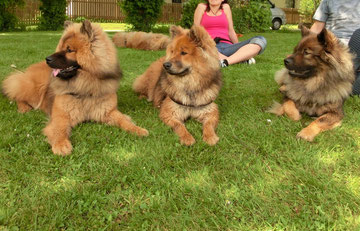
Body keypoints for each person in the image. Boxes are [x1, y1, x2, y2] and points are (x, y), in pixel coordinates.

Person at [193, 0, 267, 67]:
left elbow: (231, 31)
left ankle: (225, 61)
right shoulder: (201, 7)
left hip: (228, 46)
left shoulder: (226, 8)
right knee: (200, 50)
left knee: (260, 40)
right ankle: (238, 59)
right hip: (210, 46)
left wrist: (239, 47)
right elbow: (195, 31)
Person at [310, 0, 360, 94]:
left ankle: (346, 77)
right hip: (332, 49)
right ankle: (342, 80)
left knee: (358, 35)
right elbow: (317, 27)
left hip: (356, 50)